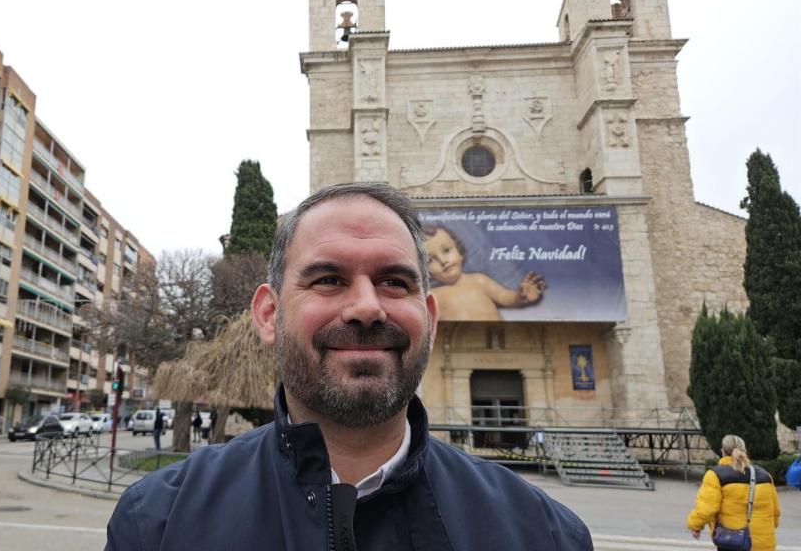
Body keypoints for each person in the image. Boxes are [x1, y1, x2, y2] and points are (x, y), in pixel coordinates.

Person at [105, 183, 591, 550]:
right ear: (269, 315)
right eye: (329, 279)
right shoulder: (157, 523)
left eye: (394, 282)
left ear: (430, 320)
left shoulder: (545, 534)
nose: (367, 308)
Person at [422, 225, 546, 321]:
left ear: (459, 251)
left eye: (446, 250)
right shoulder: (434, 295)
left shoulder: (479, 280)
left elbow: (505, 297)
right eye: (430, 260)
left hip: (496, 338)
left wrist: (521, 296)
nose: (443, 261)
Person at [687, 434, 780, 551]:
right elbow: (775, 511)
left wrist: (695, 525)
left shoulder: (715, 475)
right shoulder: (765, 475)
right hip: (764, 542)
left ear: (722, 451)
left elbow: (707, 508)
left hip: (733, 541)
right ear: (744, 450)